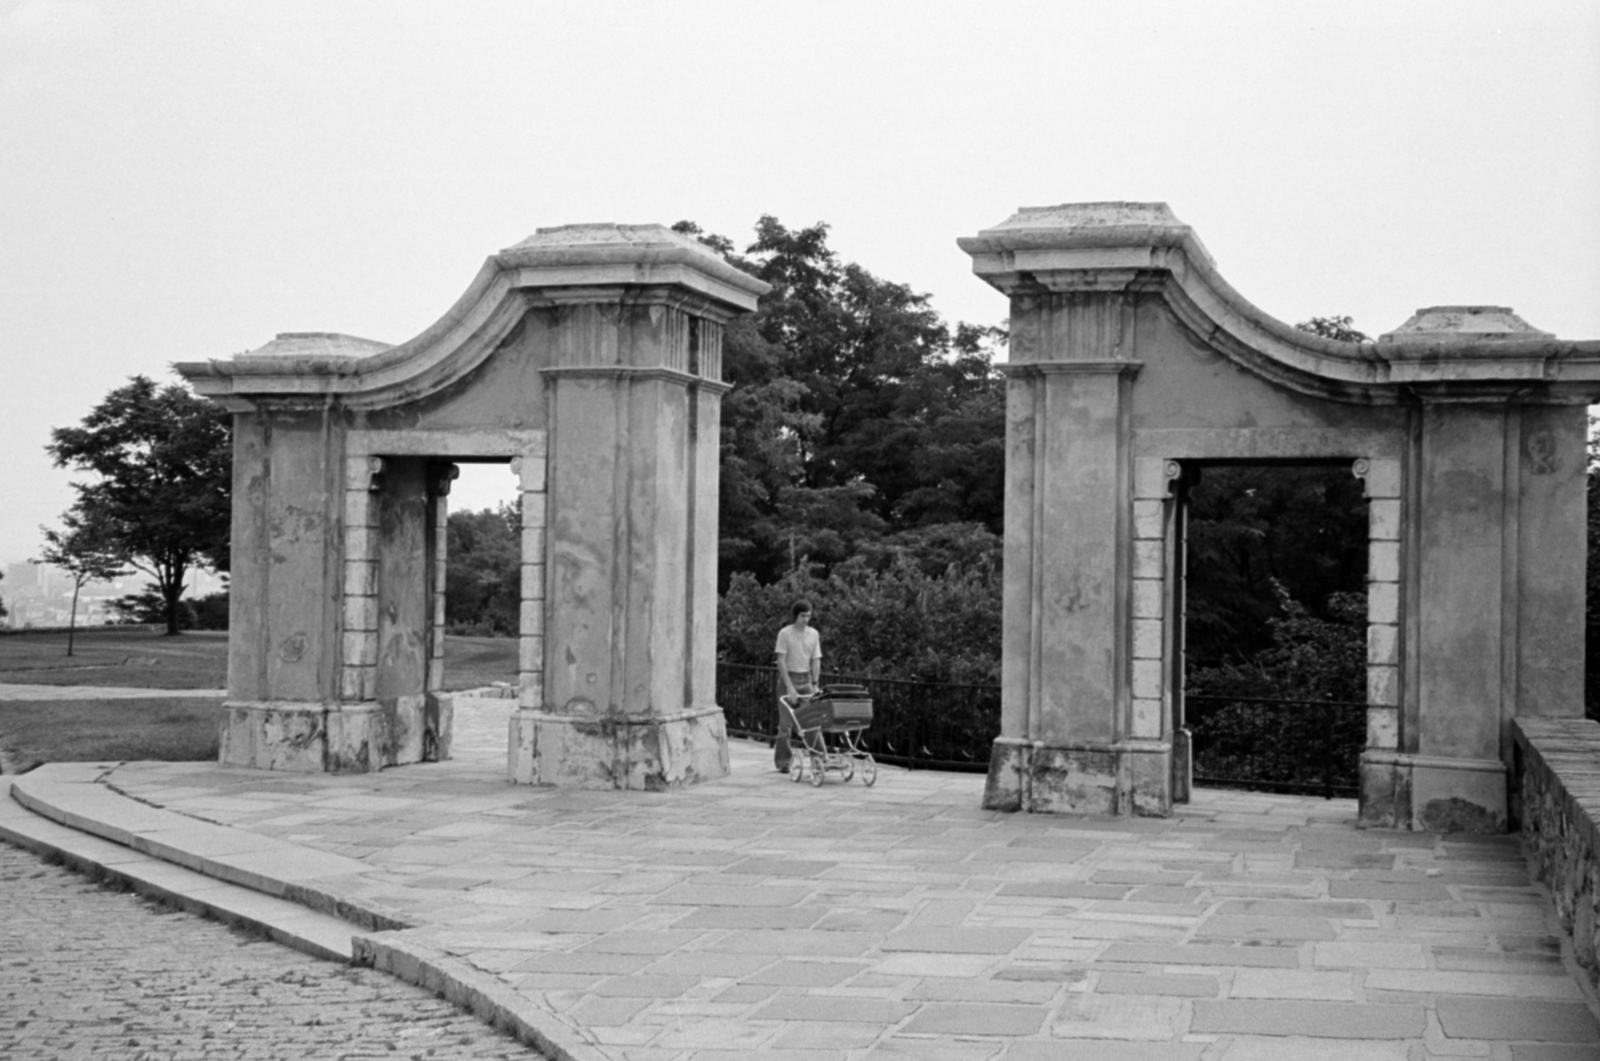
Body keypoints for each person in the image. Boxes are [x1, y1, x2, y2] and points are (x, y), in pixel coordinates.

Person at [773, 599, 821, 771]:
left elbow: (816, 660)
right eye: (802, 616)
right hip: (789, 679)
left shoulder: (814, 634)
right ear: (795, 616)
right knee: (786, 726)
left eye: (808, 616)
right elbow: (780, 661)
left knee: (812, 721)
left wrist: (815, 684)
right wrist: (790, 687)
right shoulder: (785, 634)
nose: (806, 619)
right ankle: (783, 762)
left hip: (806, 678)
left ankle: (819, 759)